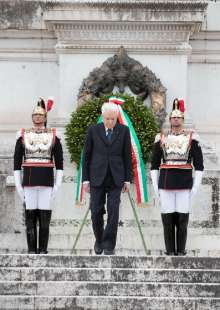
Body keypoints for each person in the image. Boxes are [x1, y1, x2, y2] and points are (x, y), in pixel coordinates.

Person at [150, 98, 204, 256]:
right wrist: (155, 186)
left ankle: (180, 251)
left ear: (182, 120)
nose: (175, 120)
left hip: (184, 184)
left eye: (178, 118)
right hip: (166, 184)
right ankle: (169, 251)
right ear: (169, 120)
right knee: (167, 219)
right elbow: (154, 165)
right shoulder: (160, 139)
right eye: (173, 118)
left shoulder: (192, 139)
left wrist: (195, 187)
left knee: (182, 219)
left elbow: (199, 166)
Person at [13, 98, 63, 254]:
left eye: (40, 115)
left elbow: (60, 163)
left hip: (46, 181)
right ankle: (31, 250)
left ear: (45, 117)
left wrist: (58, 184)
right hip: (29, 180)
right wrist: (18, 184)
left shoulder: (53, 135)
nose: (37, 118)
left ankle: (43, 249)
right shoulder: (22, 135)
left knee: (44, 216)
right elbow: (16, 163)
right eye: (35, 115)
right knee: (30, 216)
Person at [82, 101, 132, 255]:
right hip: (97, 177)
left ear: (117, 117)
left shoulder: (124, 131)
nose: (110, 122)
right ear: (102, 117)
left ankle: (109, 243)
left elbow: (127, 156)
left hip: (116, 178)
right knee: (96, 211)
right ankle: (99, 239)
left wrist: (127, 179)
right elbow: (87, 156)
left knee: (113, 210)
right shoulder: (93, 130)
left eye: (113, 119)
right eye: (107, 118)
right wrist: (85, 179)